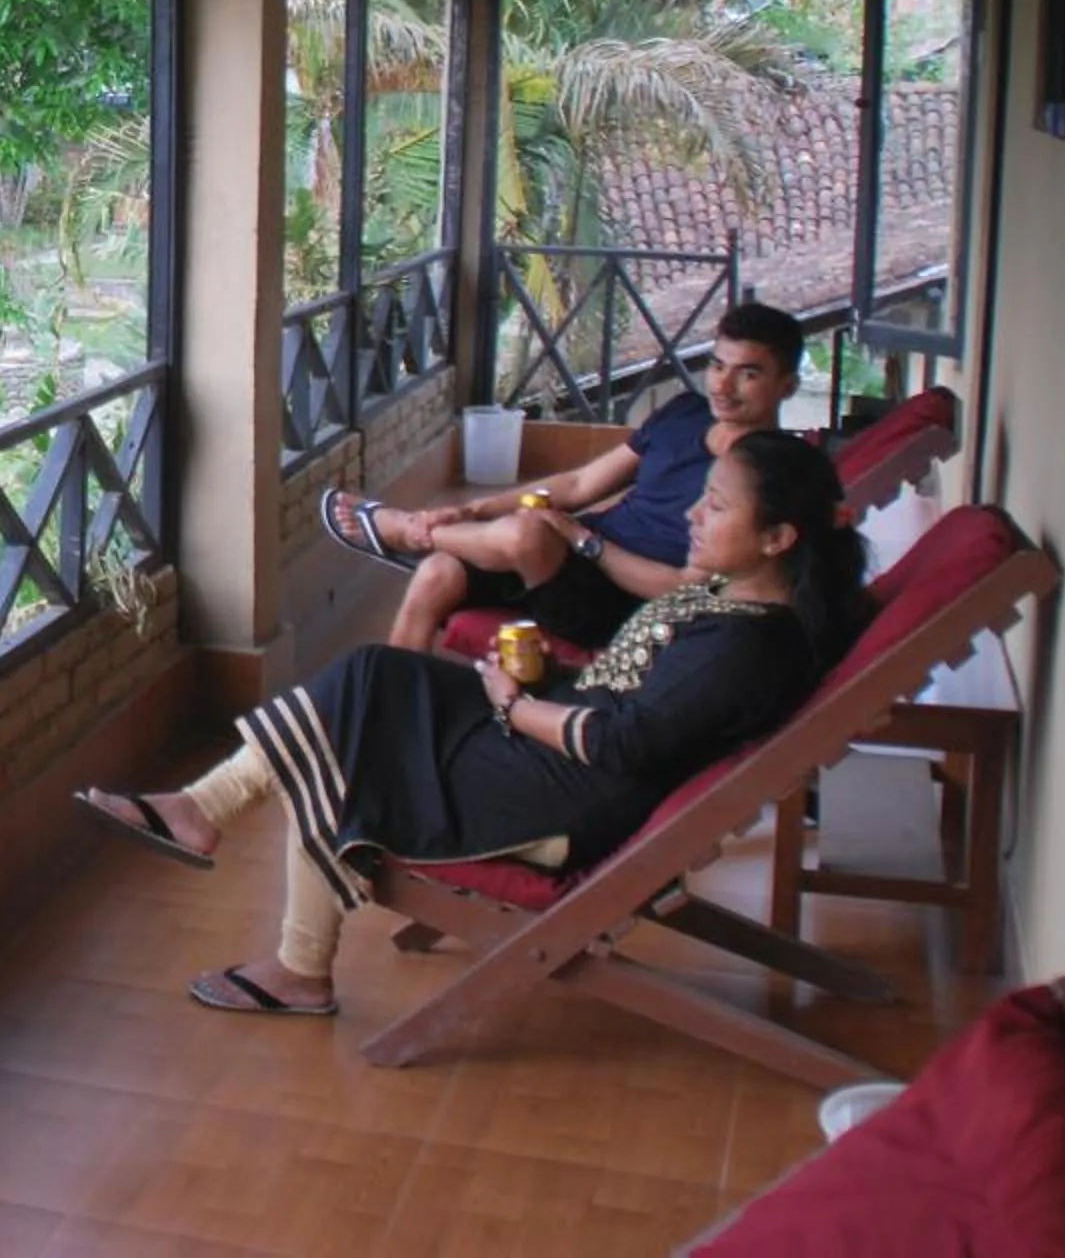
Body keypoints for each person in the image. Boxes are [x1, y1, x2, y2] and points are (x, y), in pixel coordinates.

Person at [78, 429, 865, 1015]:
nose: (694, 513)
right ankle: (203, 818)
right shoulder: (732, 598)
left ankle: (293, 956)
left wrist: (519, 708)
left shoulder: (747, 647)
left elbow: (621, 741)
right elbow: (629, 697)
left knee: (351, 744)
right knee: (371, 676)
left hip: (561, 793)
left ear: (779, 538)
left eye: (715, 504)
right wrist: (540, 684)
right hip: (555, 736)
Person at [319, 300, 806, 654]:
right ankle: (387, 708)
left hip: (617, 600)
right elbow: (578, 486)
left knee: (531, 530)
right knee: (438, 574)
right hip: (564, 559)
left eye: (748, 374)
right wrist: (474, 508)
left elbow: (684, 587)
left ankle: (408, 532)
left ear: (787, 385)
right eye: (717, 365)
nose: (722, 384)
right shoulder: (683, 413)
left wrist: (582, 539)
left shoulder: (768, 470)